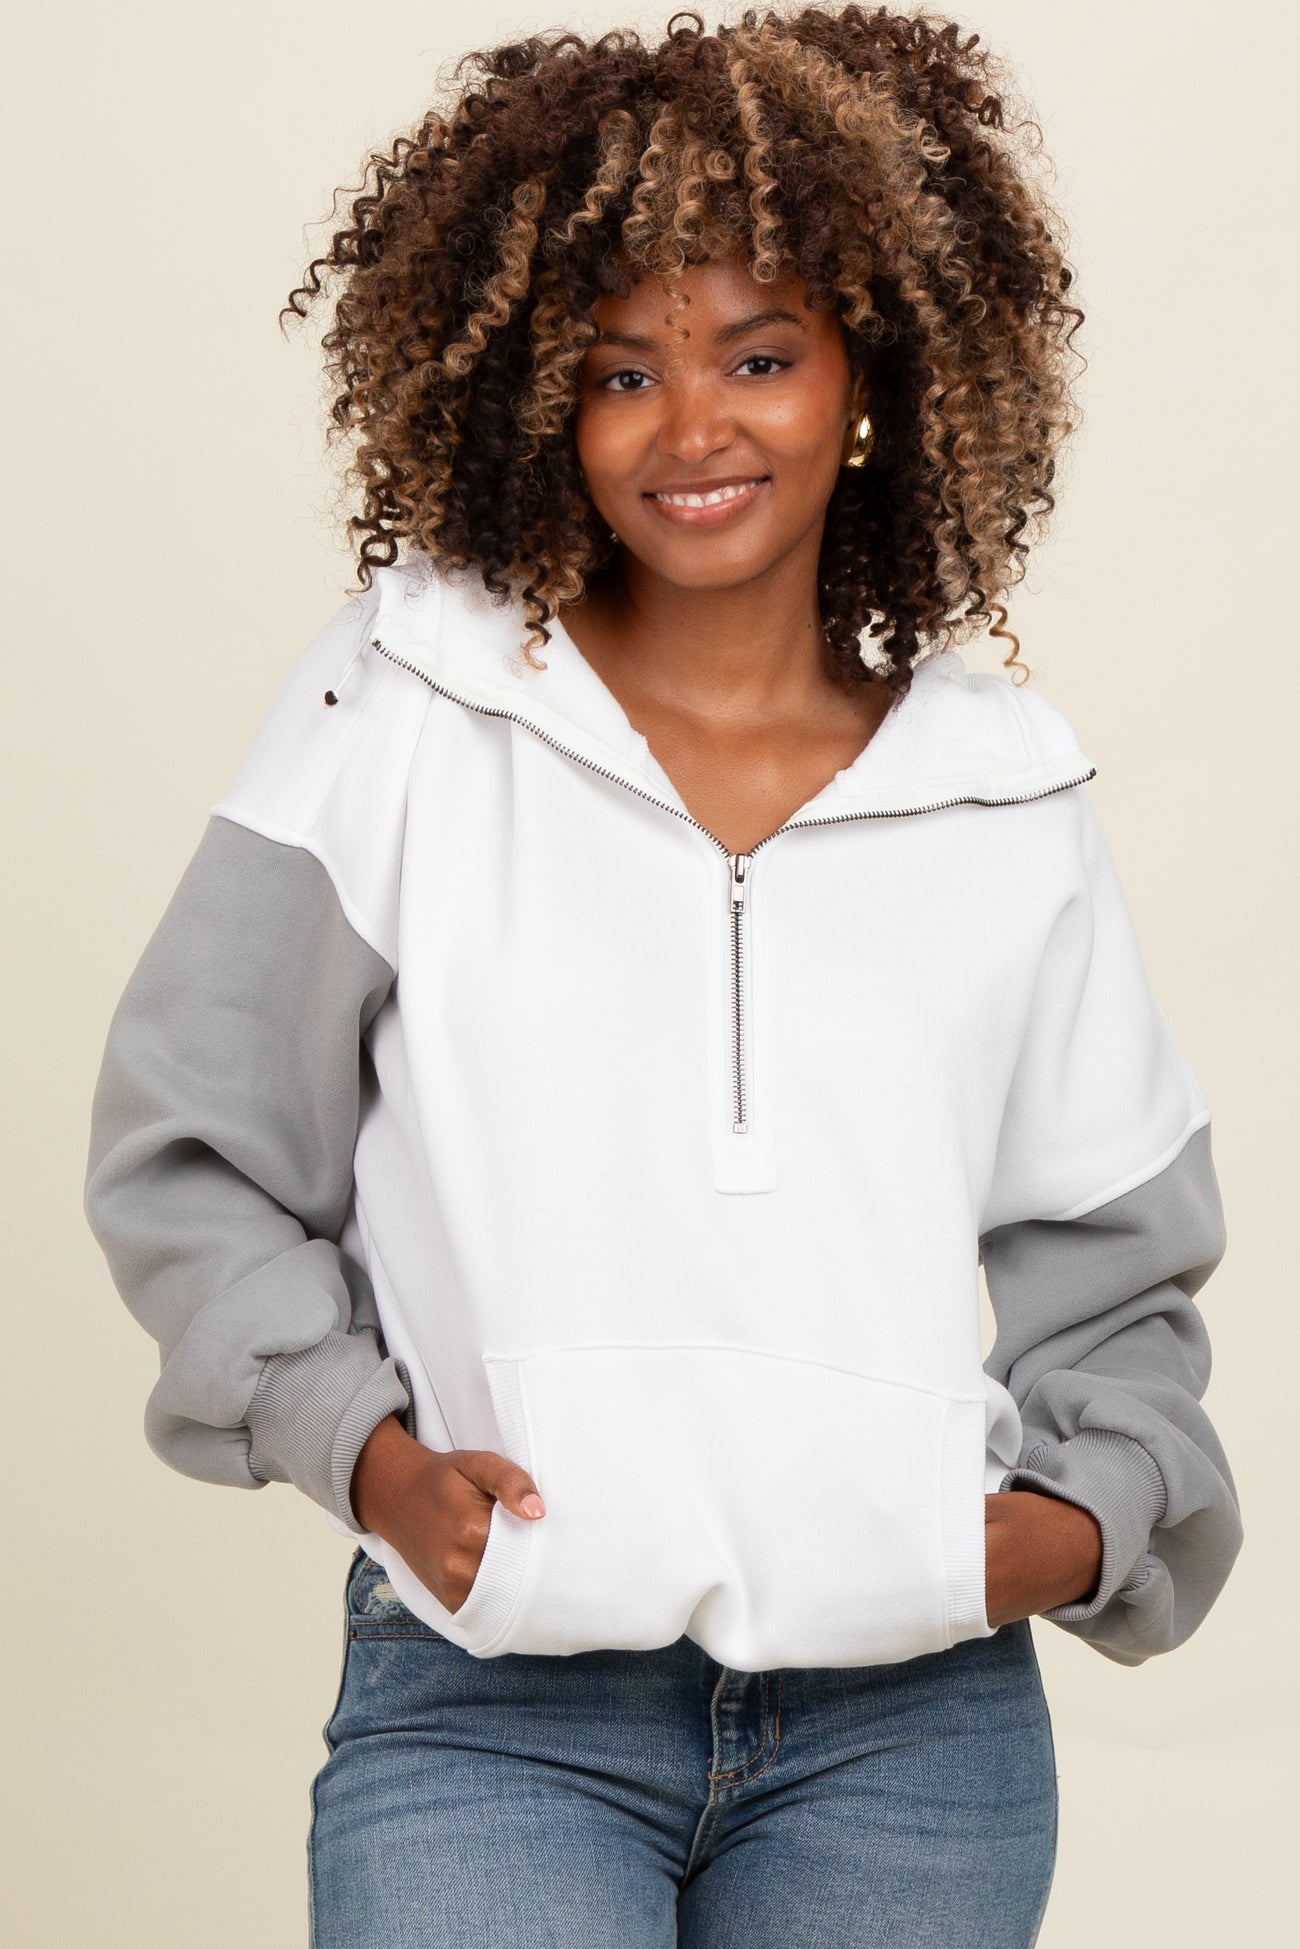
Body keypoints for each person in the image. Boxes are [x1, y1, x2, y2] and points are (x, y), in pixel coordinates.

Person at [83, 8, 1243, 1944]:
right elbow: (189, 1145)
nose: (691, 429)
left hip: (914, 1739)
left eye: (759, 357)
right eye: (620, 371)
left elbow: (1118, 1276)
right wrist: (373, 1461)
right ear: (539, 398)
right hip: (492, 1709)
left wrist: (1035, 1539)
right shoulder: (410, 700)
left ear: (869, 373)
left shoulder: (1002, 790)